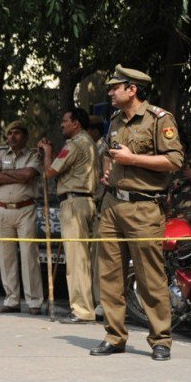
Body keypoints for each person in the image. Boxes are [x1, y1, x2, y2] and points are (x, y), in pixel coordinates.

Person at [89, 64, 183, 361]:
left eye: (115, 87)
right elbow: (110, 152)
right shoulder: (115, 119)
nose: (110, 92)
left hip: (144, 206)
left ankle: (160, 340)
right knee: (110, 275)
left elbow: (175, 161)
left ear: (132, 90)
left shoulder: (159, 119)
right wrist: (109, 172)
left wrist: (133, 158)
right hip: (113, 204)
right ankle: (114, 336)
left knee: (149, 276)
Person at [38, 107, 98, 324]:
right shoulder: (89, 142)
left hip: (73, 204)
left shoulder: (74, 144)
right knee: (88, 258)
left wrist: (46, 153)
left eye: (65, 121)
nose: (62, 125)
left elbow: (49, 172)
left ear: (76, 123)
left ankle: (82, 309)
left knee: (76, 259)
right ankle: (94, 305)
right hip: (88, 201)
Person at [0, 120, 44, 315]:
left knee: (29, 255)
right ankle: (12, 299)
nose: (12, 137)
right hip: (2, 209)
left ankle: (34, 301)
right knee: (6, 257)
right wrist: (18, 175)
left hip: (25, 209)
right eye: (9, 134)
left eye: (16, 133)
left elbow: (29, 175)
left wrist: (6, 174)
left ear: (25, 136)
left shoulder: (33, 154)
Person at [87, 115, 108, 317]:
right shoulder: (93, 148)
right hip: (94, 206)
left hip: (102, 206)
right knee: (91, 257)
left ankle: (102, 302)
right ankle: (94, 300)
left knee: (100, 258)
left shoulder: (102, 150)